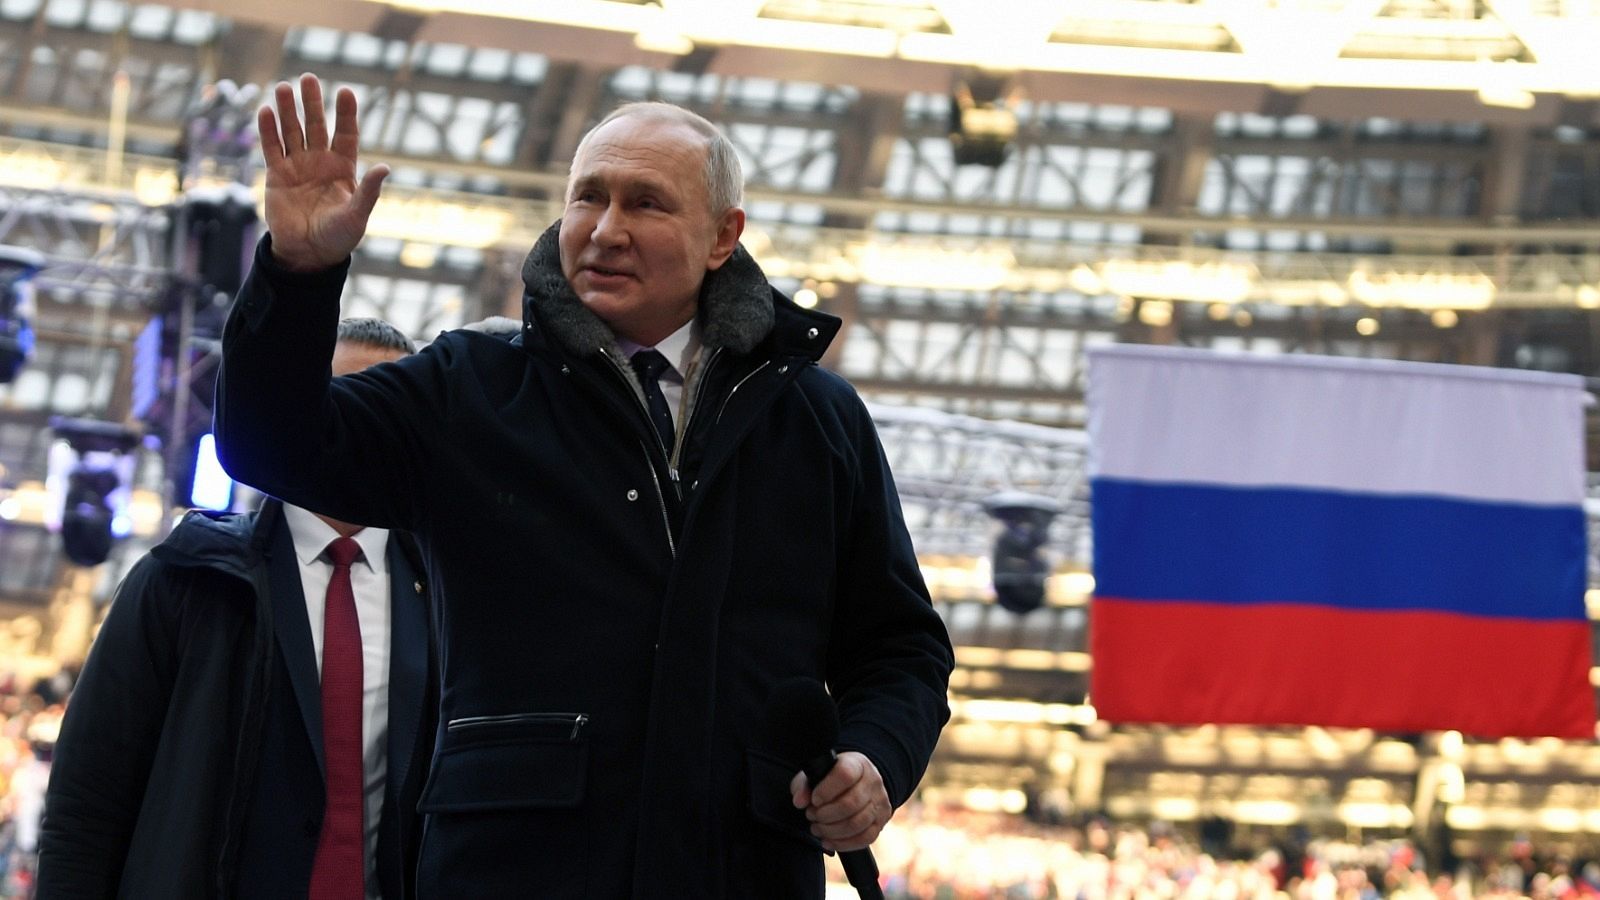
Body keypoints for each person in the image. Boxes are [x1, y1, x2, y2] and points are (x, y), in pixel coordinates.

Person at [213, 73, 954, 897]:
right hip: (514, 872)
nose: (605, 230)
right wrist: (299, 274)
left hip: (739, 869)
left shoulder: (817, 418)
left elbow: (901, 649)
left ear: (723, 236)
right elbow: (271, 449)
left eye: (646, 203)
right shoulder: (472, 386)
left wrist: (875, 755)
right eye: (586, 198)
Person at [36, 318, 434, 900]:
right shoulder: (186, 579)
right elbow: (87, 802)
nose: (364, 429)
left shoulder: (441, 599)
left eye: (390, 409)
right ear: (297, 412)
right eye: (344, 401)